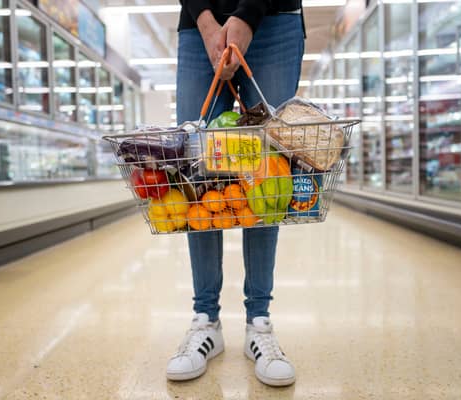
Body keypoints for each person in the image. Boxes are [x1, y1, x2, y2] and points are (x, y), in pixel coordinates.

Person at [166, 0, 305, 387]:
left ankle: (258, 324)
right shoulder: (202, 28)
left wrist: (249, 13)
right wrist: (208, 24)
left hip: (274, 20)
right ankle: (205, 320)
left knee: (266, 171)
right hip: (199, 26)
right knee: (198, 171)